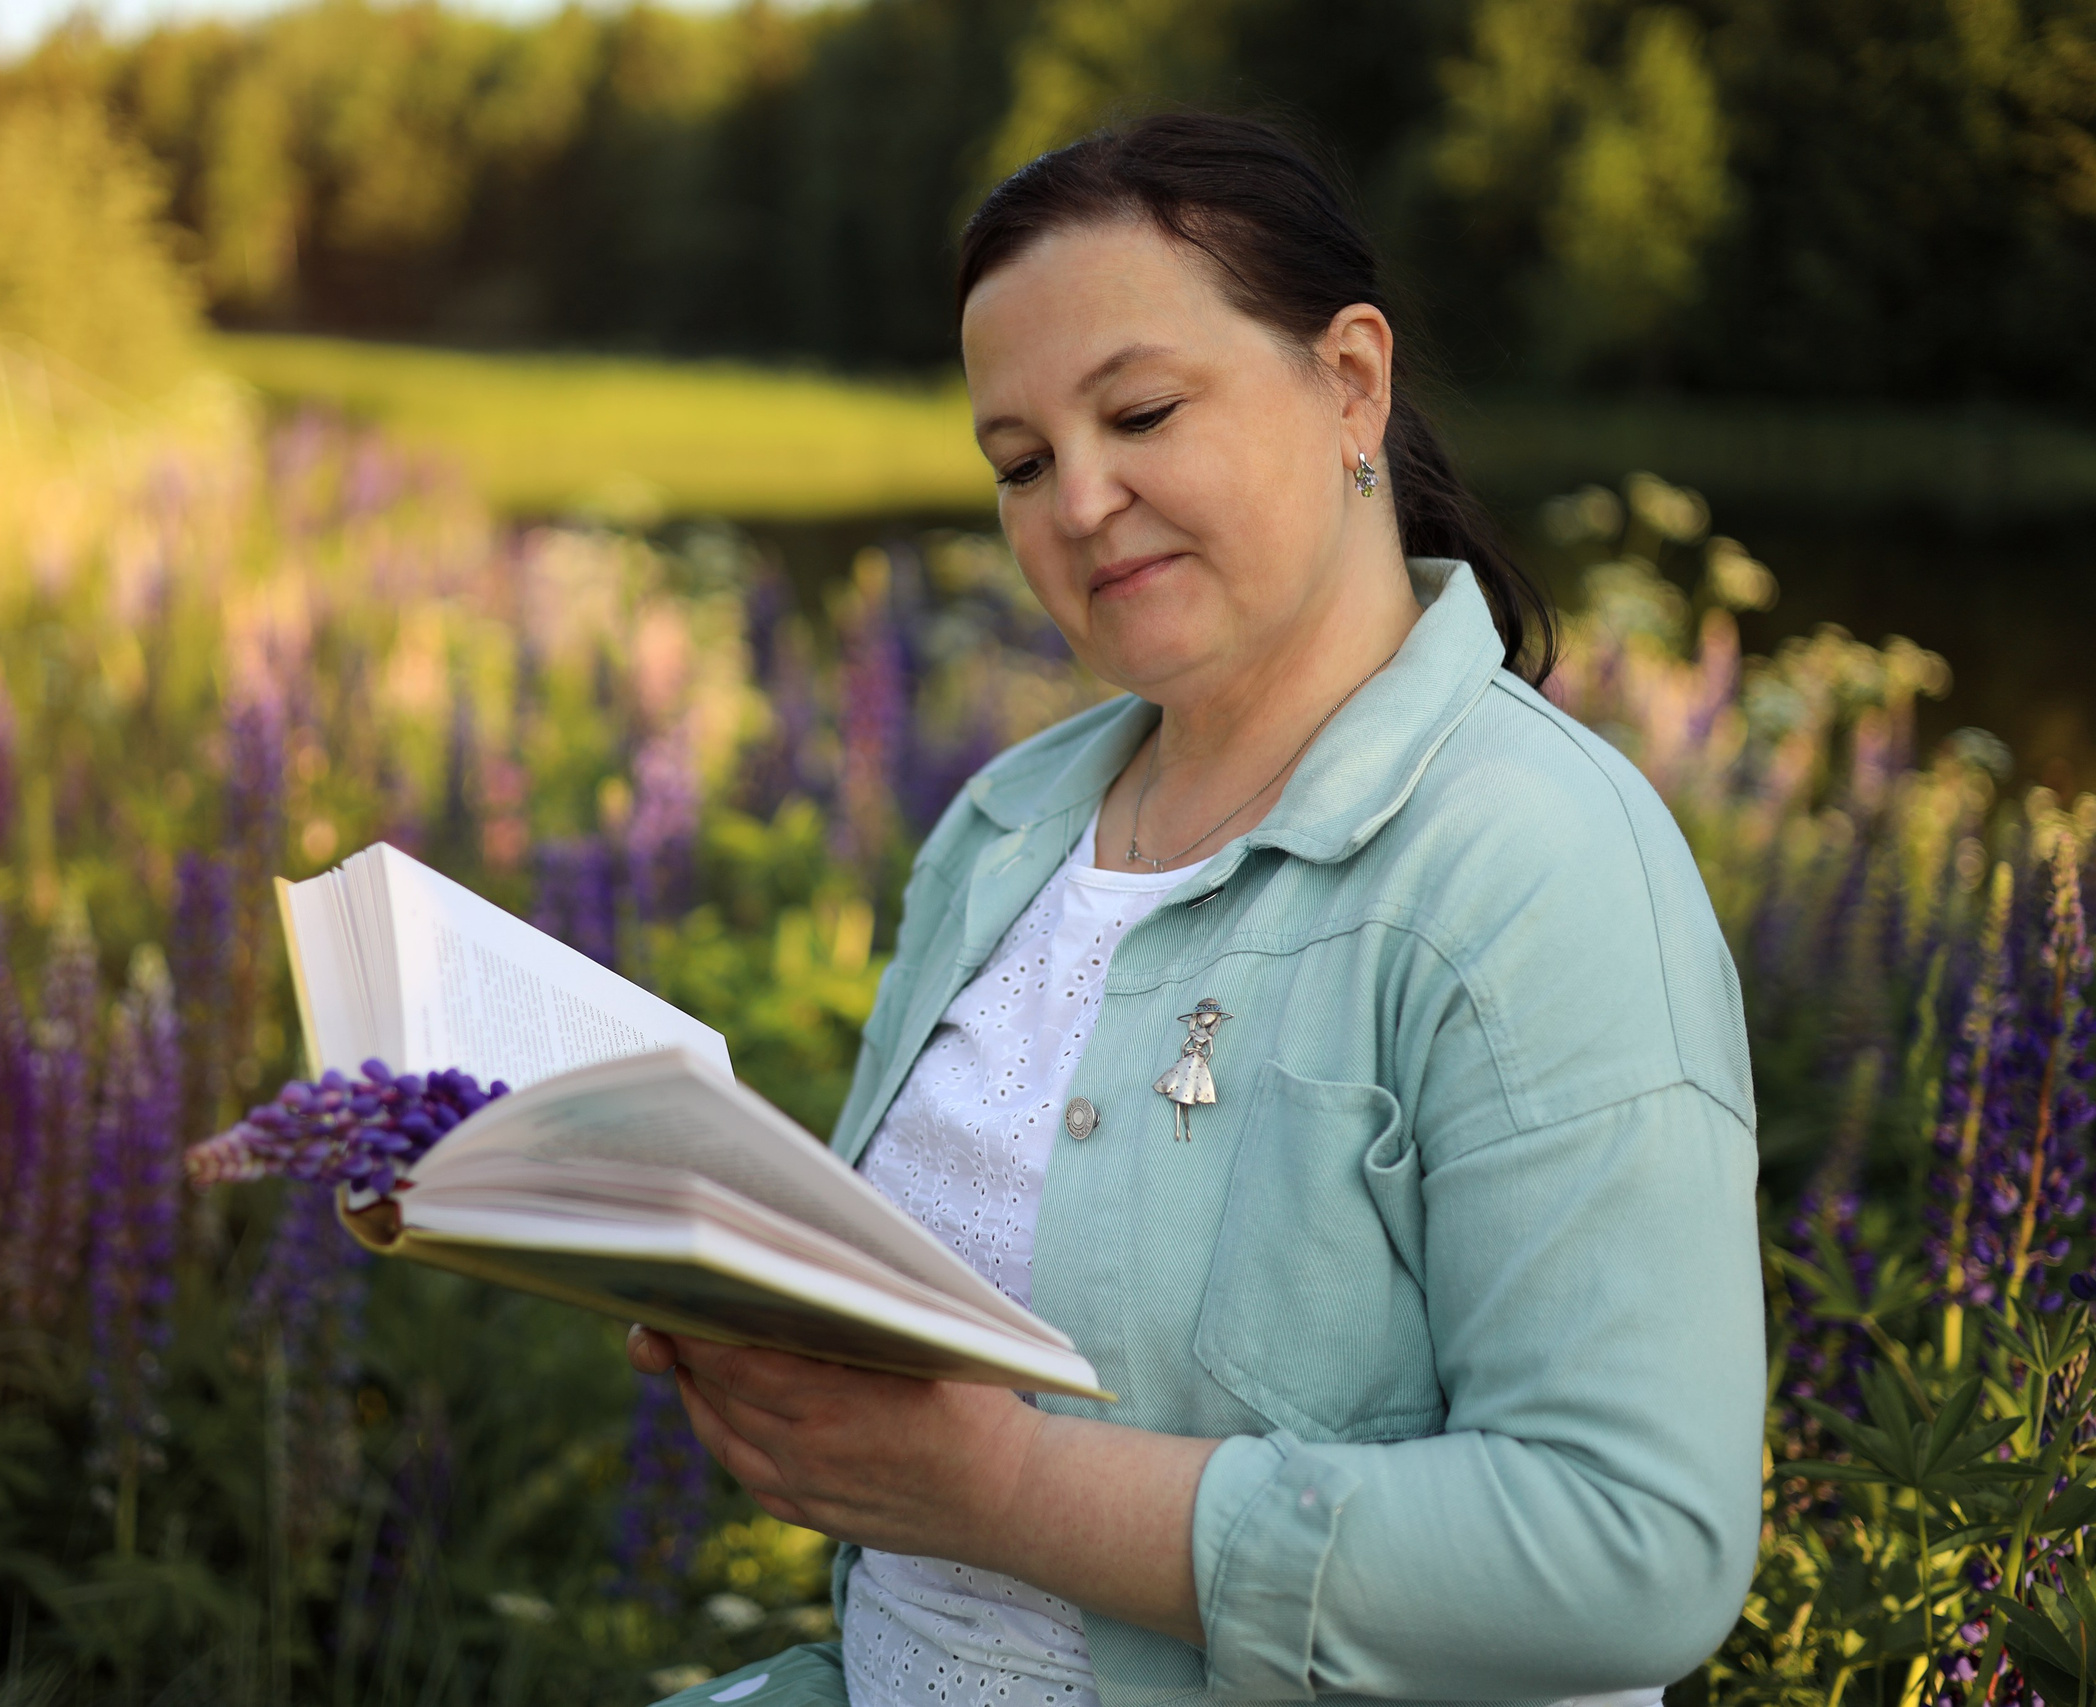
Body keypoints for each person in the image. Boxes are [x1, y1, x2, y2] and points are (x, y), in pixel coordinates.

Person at [634, 112, 1762, 1707]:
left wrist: (999, 1491)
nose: (1076, 503)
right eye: (1018, 463)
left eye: (1142, 411)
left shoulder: (1531, 863)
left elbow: (1634, 1545)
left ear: (1351, 383)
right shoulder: (1005, 827)